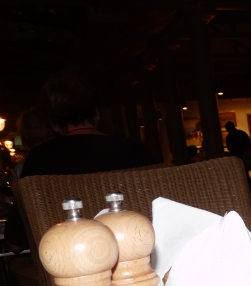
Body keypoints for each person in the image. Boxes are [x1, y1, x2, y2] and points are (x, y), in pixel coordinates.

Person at [3, 73, 154, 252]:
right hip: (139, 254)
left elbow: (15, 242)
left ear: (54, 124)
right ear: (97, 114)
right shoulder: (137, 151)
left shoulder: (41, 160)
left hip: (71, 259)